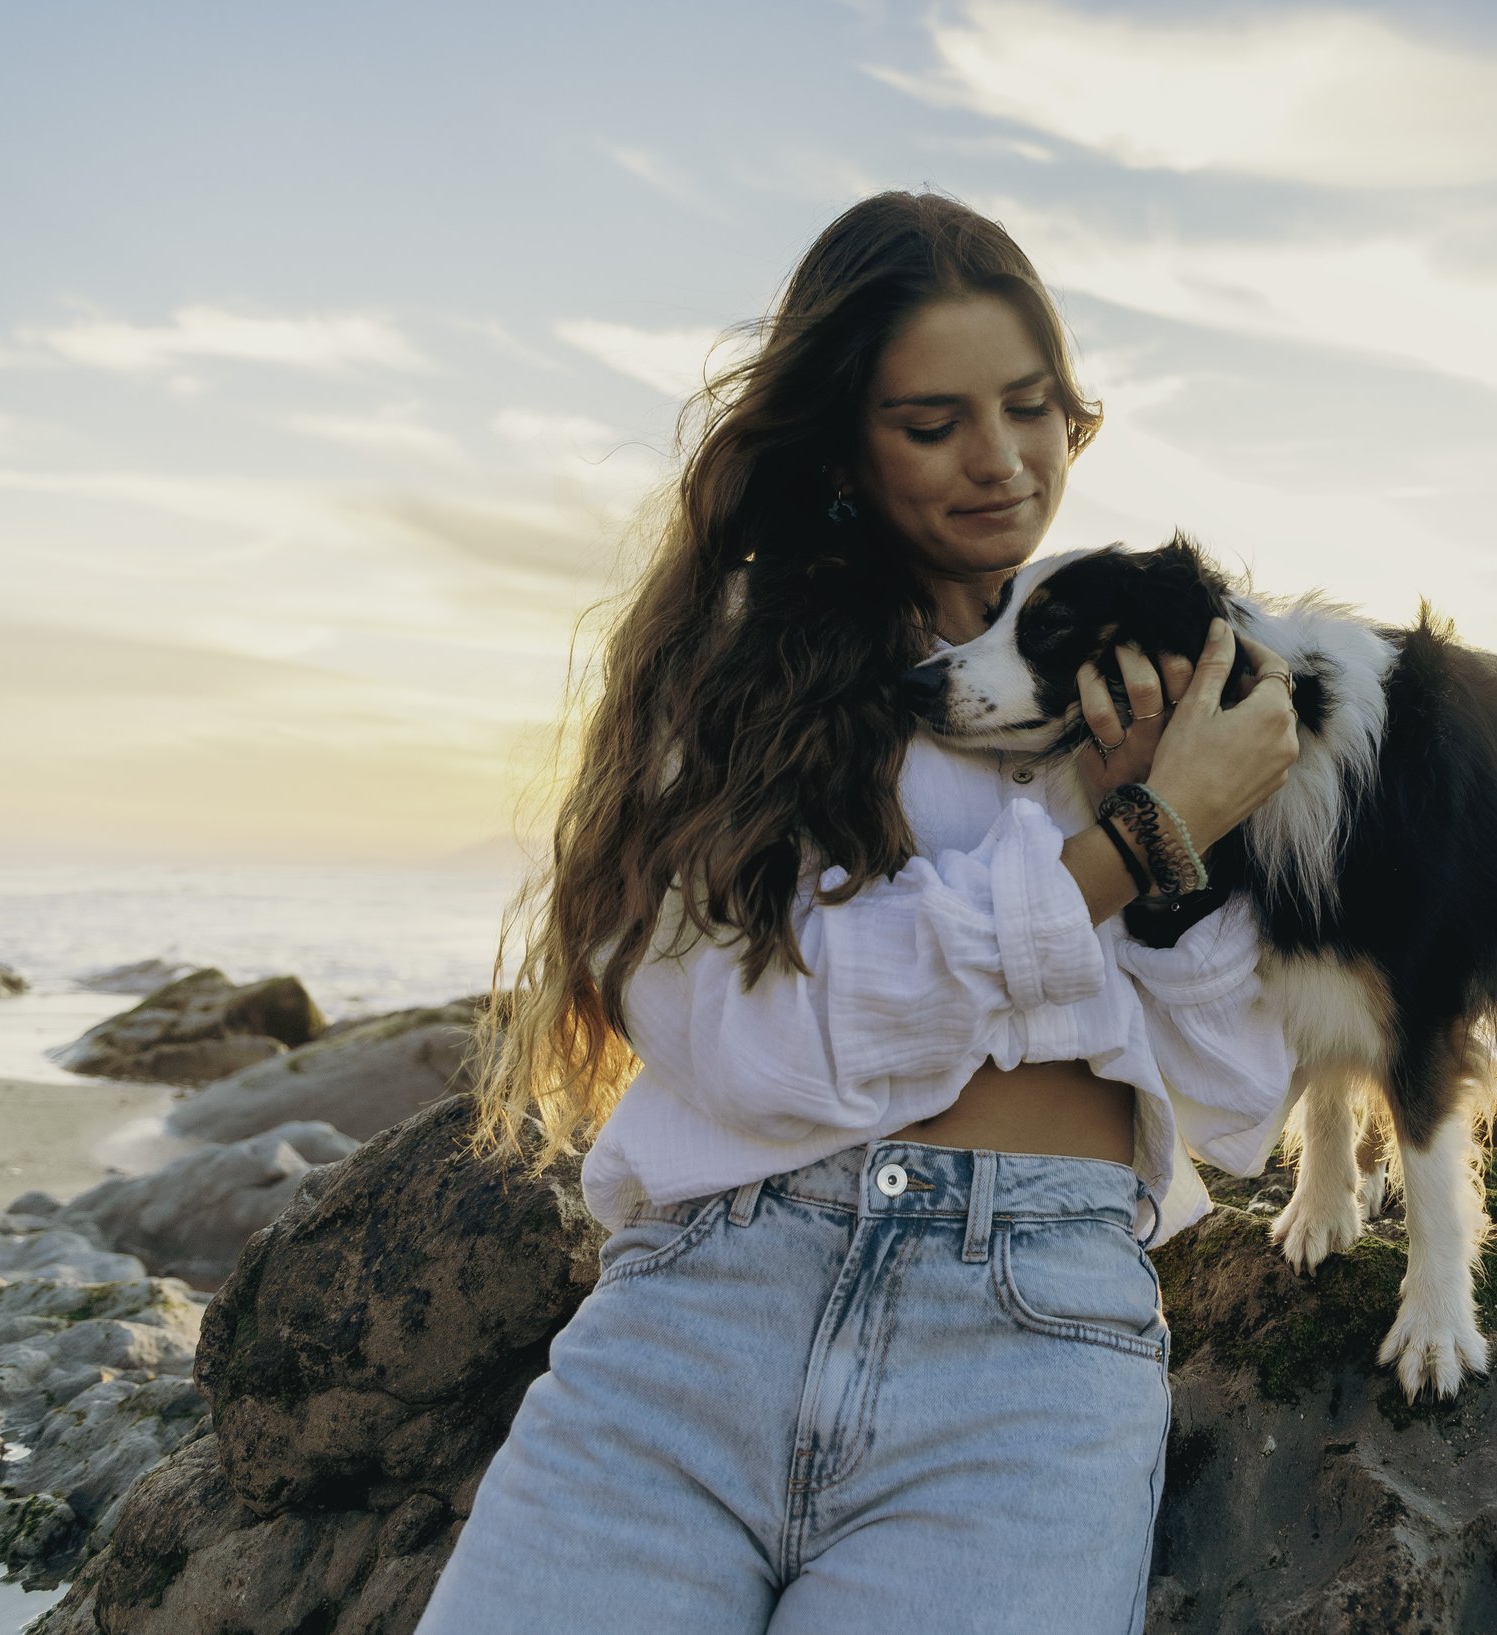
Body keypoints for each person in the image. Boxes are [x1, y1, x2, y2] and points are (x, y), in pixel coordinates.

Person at [417, 191, 1304, 1634]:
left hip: (1028, 1346)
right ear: (843, 439)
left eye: (1034, 409)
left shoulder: (1153, 671)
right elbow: (766, 1041)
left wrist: (1176, 842)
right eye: (933, 422)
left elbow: (1233, 1095)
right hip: (705, 1318)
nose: (1003, 464)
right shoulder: (731, 689)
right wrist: (1136, 843)